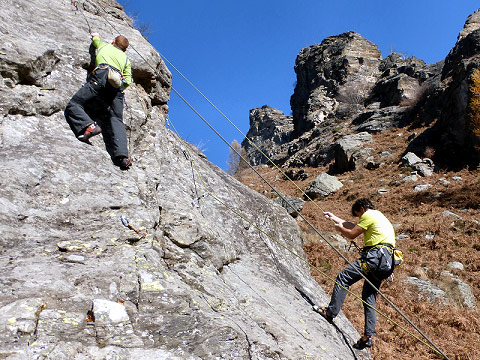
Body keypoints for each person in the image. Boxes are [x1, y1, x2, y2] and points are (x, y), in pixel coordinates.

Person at [317, 198, 396, 350]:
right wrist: (334, 218)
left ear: (361, 208)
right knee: (369, 297)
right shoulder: (379, 216)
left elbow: (352, 233)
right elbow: (355, 226)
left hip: (375, 257)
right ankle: (367, 336)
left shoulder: (368, 215)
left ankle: (330, 312)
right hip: (386, 262)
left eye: (358, 214)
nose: (359, 218)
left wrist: (340, 229)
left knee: (343, 277)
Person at [64, 32, 133, 170]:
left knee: (74, 104)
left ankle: (88, 125)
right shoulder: (125, 59)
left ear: (114, 41)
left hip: (102, 75)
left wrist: (95, 35)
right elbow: (128, 81)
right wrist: (117, 88)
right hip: (117, 85)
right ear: (124, 49)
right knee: (116, 119)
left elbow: (96, 41)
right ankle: (123, 157)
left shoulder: (104, 46)